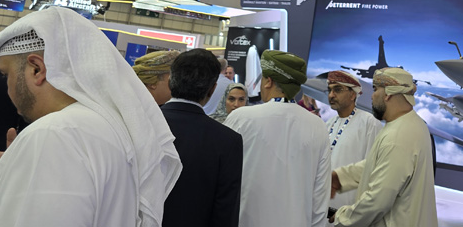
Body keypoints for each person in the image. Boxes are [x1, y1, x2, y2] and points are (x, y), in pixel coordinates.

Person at [0, 7, 182, 226]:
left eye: (6, 75)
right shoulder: (105, 126)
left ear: (37, 69)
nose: (8, 87)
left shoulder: (54, 134)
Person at [224, 50, 330, 227]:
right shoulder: (318, 126)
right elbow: (320, 195)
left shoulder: (241, 118)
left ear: (269, 81)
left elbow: (223, 180)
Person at [331, 67, 437, 227]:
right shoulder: (410, 123)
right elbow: (381, 164)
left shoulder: (398, 137)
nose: (372, 96)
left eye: (375, 89)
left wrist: (342, 218)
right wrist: (341, 178)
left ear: (388, 94)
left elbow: (377, 201)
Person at [161, 48, 243, 227]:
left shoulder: (141, 123)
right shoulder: (228, 141)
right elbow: (225, 211)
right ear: (212, 89)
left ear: (170, 81)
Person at [325, 70, 383, 211]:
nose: (331, 95)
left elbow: (372, 170)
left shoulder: (369, 123)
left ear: (353, 95)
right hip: (323, 205)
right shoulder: (329, 124)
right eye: (330, 90)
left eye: (337, 90)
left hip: (350, 211)